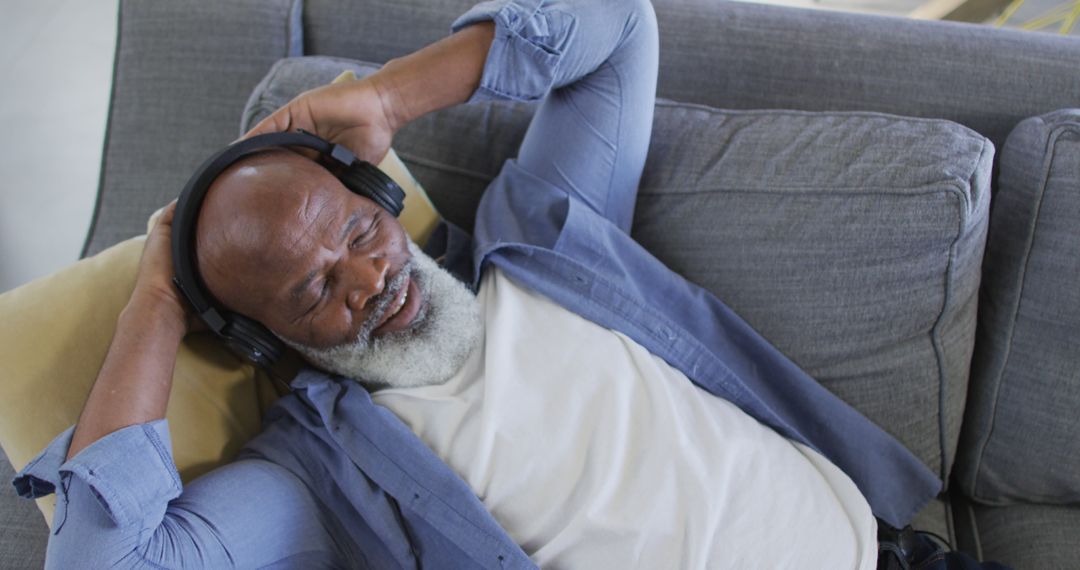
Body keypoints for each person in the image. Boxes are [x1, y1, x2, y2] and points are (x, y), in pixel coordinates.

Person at [15, 0, 1007, 567]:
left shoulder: (540, 241)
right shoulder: (313, 480)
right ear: (261, 342)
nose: (367, 277)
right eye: (314, 291)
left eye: (362, 229)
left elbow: (616, 24)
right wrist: (155, 298)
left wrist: (389, 95)